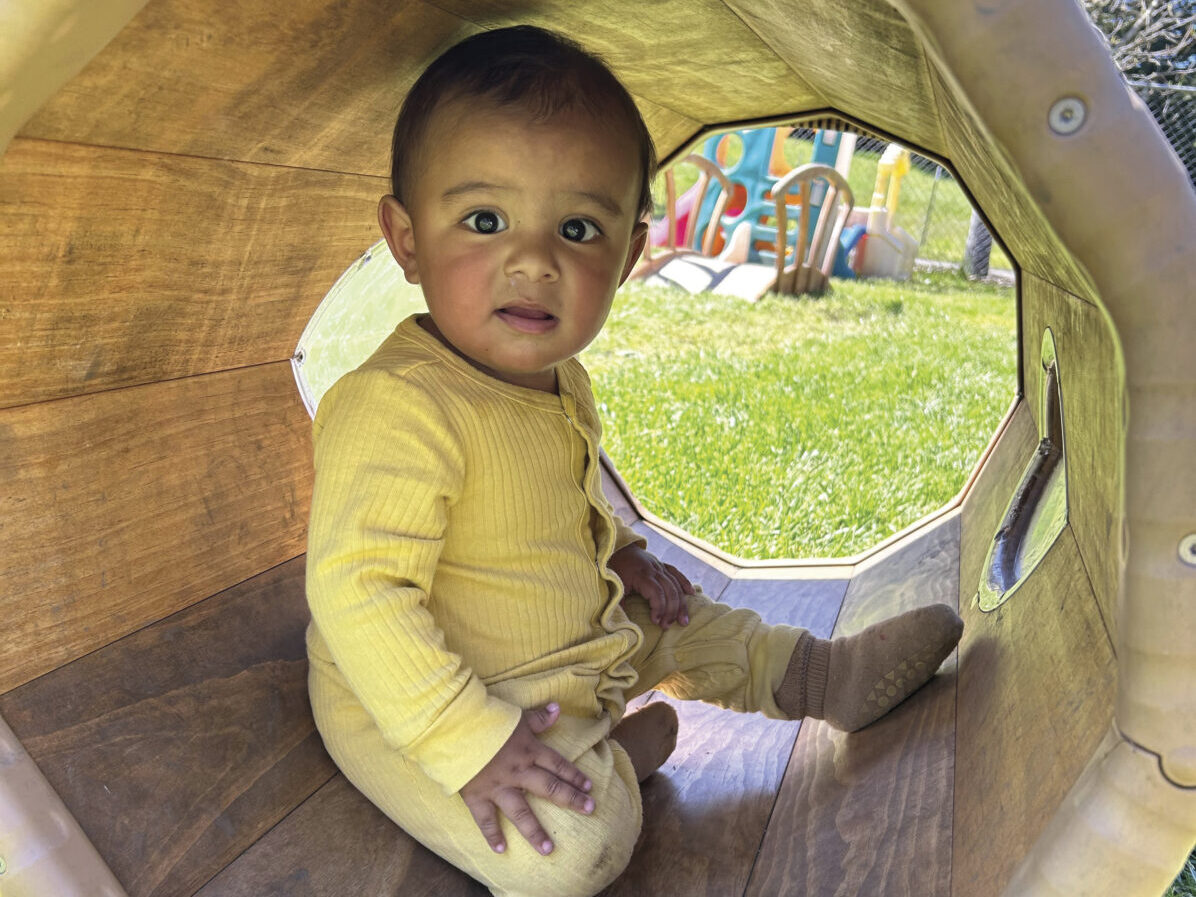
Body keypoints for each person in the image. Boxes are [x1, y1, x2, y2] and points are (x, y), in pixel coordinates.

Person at [304, 25, 963, 897]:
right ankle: (619, 762)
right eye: (484, 219)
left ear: (630, 255)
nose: (535, 259)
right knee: (568, 855)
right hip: (431, 700)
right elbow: (359, 592)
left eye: (577, 226)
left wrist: (617, 550)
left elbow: (548, 497)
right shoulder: (398, 404)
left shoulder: (557, 377)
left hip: (578, 642)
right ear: (406, 236)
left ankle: (827, 676)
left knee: (698, 623)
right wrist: (471, 742)